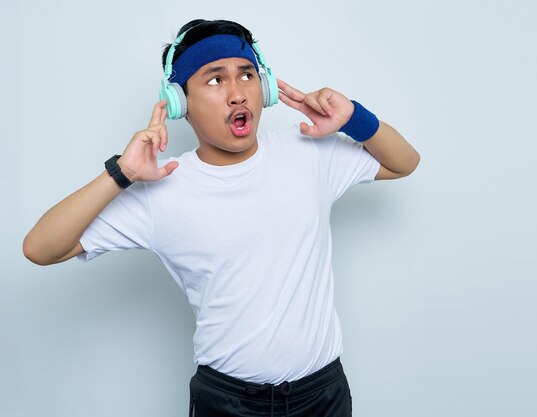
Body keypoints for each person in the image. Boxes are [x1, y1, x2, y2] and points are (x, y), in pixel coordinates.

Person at [23, 18, 420, 417]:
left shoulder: (307, 151)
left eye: (246, 75)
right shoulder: (161, 187)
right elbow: (40, 248)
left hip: (322, 396)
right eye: (214, 80)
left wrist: (354, 117)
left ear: (263, 88)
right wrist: (120, 173)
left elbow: (405, 162)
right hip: (228, 403)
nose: (236, 94)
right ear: (180, 102)